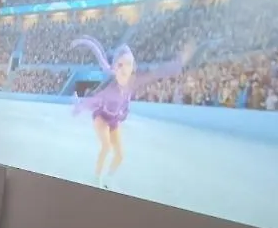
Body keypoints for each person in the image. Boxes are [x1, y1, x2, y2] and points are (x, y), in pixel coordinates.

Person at [71, 36, 195, 188]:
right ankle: (96, 178)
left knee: (119, 155)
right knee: (106, 146)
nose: (124, 69)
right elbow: (92, 101)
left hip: (114, 120)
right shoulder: (109, 88)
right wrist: (79, 107)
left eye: (128, 64)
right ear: (115, 67)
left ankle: (108, 179)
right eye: (121, 65)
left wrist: (178, 63)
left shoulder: (133, 81)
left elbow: (157, 73)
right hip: (101, 116)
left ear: (132, 67)